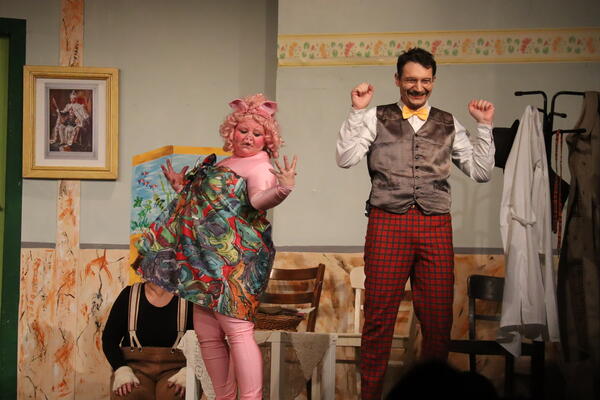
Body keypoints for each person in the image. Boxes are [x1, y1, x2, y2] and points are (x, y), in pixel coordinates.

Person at [336, 47, 495, 400]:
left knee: (438, 322)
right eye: (411, 80)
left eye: (425, 80)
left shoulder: (448, 122)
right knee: (379, 320)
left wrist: (484, 127)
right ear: (397, 80)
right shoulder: (375, 116)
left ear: (433, 81)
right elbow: (346, 158)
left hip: (435, 226)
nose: (418, 87)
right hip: (387, 224)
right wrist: (357, 110)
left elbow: (481, 172)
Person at [134, 93, 297, 400]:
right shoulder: (226, 163)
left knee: (238, 332)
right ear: (230, 132)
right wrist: (182, 187)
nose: (248, 137)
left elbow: (257, 201)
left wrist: (283, 189)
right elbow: (214, 203)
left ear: (268, 140)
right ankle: (223, 397)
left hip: (233, 263)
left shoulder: (260, 166)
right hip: (204, 260)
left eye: (257, 133)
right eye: (243, 130)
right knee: (208, 335)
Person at [102, 280, 194, 399]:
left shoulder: (189, 297)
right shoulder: (129, 294)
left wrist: (189, 371)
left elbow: (201, 341)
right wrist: (121, 369)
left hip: (176, 369)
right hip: (134, 368)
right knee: (127, 394)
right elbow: (109, 339)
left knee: (176, 395)